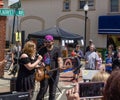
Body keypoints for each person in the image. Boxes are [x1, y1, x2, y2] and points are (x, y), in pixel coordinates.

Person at [36, 35, 63, 100]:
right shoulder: (41, 50)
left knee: (53, 92)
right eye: (46, 42)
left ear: (52, 42)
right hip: (45, 73)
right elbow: (37, 60)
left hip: (54, 74)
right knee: (43, 90)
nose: (47, 43)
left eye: (48, 42)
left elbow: (60, 59)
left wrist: (60, 65)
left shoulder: (57, 50)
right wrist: (40, 65)